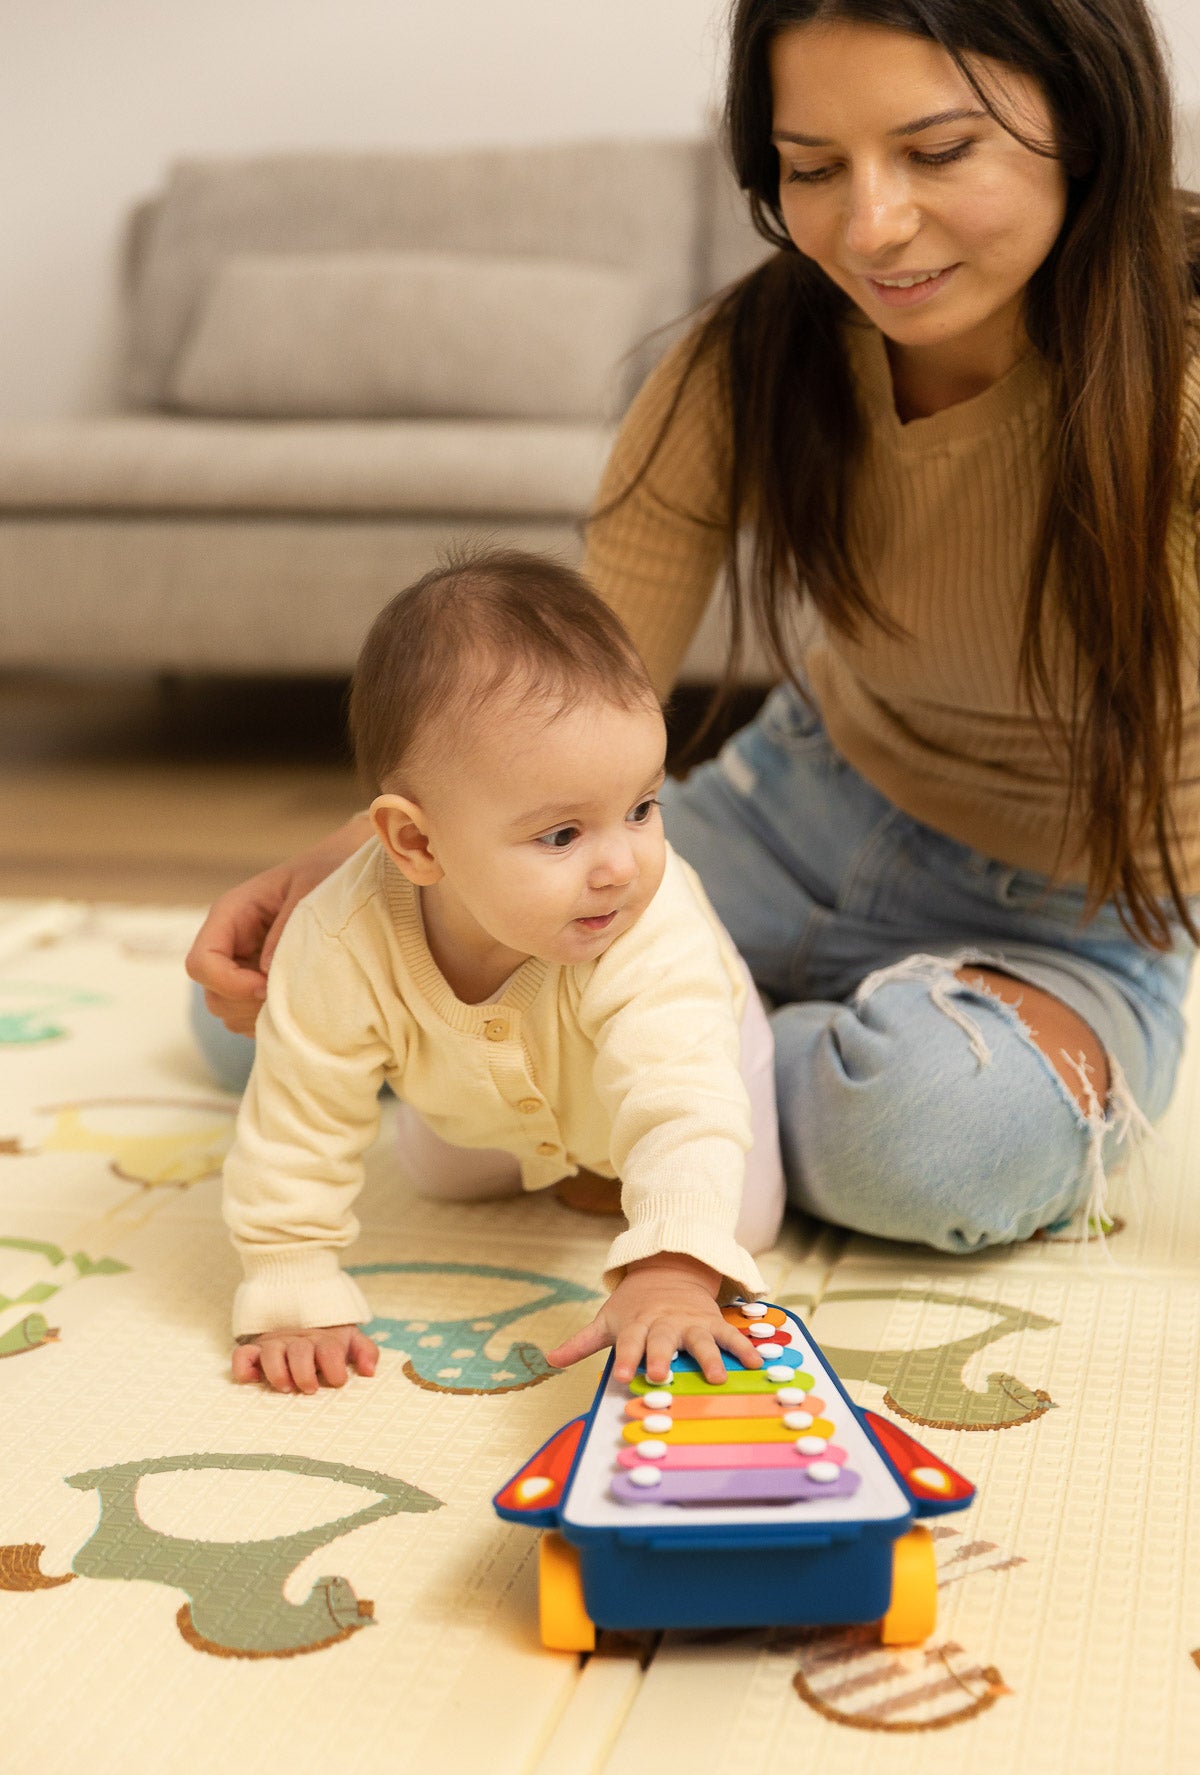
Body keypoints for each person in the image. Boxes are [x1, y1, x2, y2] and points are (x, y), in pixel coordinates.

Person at [190, 0, 1200, 1264]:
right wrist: (356, 871)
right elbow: (569, 684)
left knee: (933, 1140)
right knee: (261, 1003)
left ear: (1091, 125)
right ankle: (671, 1051)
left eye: (939, 153)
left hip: (1075, 905)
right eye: (815, 168)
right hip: (796, 807)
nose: (870, 226)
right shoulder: (756, 351)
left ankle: (660, 1059)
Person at [222, 549, 785, 1395]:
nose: (621, 867)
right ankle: (551, 1149)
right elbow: (297, 1113)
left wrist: (670, 1269)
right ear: (416, 843)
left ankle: (785, 1042)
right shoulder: (338, 938)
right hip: (476, 1093)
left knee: (736, 1222)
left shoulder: (650, 926)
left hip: (694, 1053)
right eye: (562, 835)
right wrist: (291, 1276)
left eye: (641, 808)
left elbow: (684, 1099)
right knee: (443, 1178)